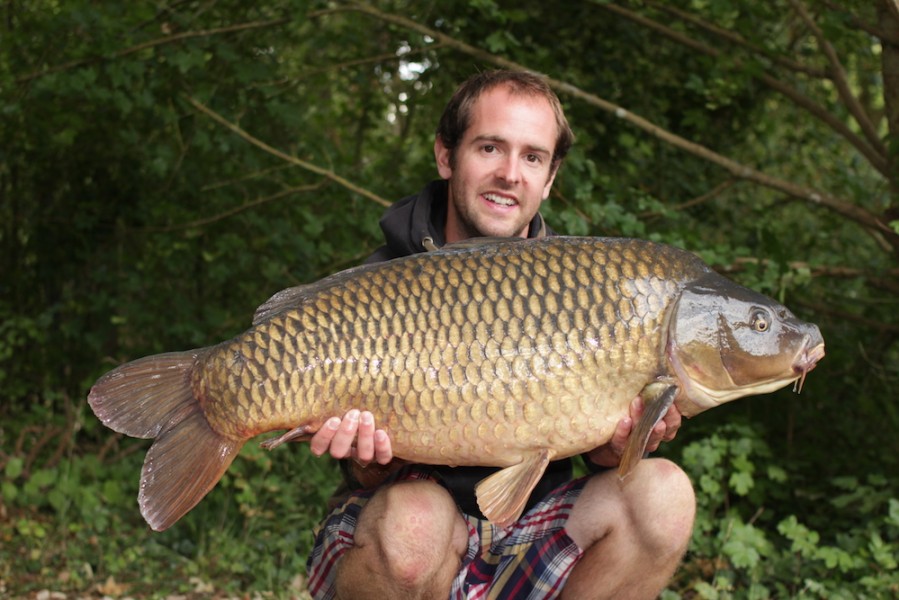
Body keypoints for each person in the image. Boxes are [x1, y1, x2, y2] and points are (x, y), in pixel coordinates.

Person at [304, 69, 696, 599]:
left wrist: (622, 444)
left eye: (532, 157)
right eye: (490, 147)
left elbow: (595, 449)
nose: (510, 173)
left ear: (550, 178)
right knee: (412, 521)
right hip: (413, 537)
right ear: (447, 156)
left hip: (534, 524)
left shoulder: (586, 283)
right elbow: (366, 478)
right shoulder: (381, 288)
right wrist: (368, 457)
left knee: (664, 495)